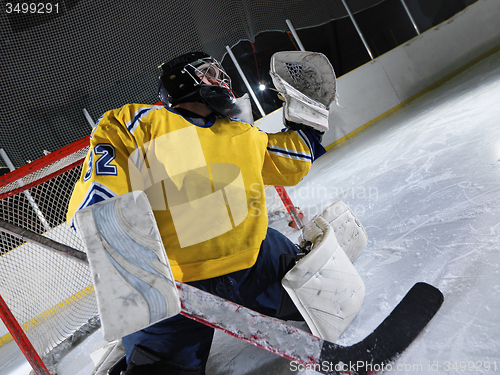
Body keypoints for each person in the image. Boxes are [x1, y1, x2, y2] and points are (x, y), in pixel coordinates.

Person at [67, 51, 326, 374]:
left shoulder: (240, 132)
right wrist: (131, 271)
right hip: (180, 289)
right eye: (208, 72)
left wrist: (310, 120)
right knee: (157, 369)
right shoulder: (140, 122)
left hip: (253, 263)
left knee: (323, 289)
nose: (223, 80)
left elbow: (291, 161)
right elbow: (99, 194)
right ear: (177, 81)